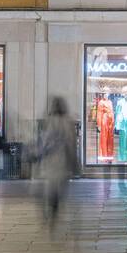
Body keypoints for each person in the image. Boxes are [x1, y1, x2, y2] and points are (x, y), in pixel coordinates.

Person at [39, 97, 77, 229]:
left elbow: (44, 143)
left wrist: (41, 156)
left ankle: (49, 209)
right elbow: (71, 144)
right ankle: (53, 213)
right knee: (59, 191)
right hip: (63, 162)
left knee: (50, 188)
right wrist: (74, 163)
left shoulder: (48, 122)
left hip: (50, 162)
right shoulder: (68, 122)